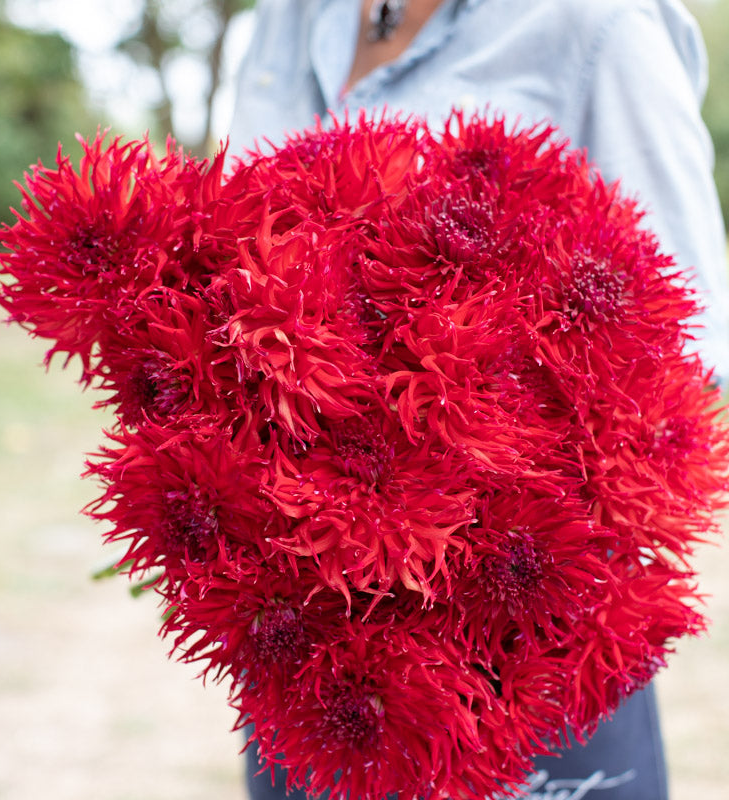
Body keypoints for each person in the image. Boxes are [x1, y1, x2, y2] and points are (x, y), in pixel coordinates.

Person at [227, 2, 729, 798]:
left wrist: (500, 490)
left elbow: (687, 347)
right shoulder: (281, 22)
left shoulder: (598, 24)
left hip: (525, 636)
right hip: (300, 649)